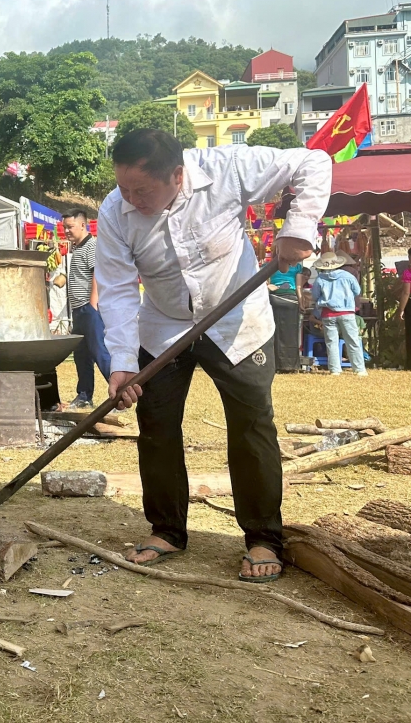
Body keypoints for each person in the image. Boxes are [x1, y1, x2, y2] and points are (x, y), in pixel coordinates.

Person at [96, 129, 331, 583]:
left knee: (251, 425)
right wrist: (123, 361)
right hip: (163, 327)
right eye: (124, 188)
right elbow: (120, 289)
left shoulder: (227, 168)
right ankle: (166, 529)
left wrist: (298, 228)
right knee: (157, 426)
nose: (131, 199)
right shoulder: (114, 210)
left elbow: (313, 161)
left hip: (237, 321)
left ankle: (263, 536)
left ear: (178, 175)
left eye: (142, 190)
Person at [62, 209, 111, 408]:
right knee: (81, 355)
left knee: (100, 351)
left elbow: (97, 274)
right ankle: (84, 396)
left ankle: (121, 393)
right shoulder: (77, 248)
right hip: (78, 311)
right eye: (64, 227)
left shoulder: (91, 245)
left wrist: (93, 304)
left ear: (83, 225)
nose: (66, 231)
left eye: (70, 227)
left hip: (88, 309)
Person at [311, 253, 367, 376]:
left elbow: (315, 296)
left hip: (328, 313)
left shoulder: (320, 279)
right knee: (353, 340)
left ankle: (335, 370)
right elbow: (357, 291)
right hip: (347, 312)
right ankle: (359, 370)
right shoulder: (348, 276)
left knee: (331, 342)